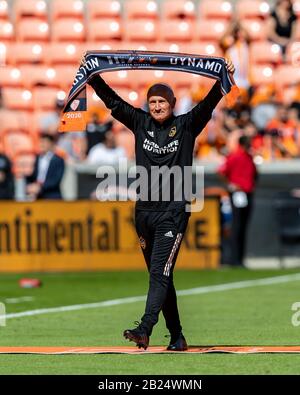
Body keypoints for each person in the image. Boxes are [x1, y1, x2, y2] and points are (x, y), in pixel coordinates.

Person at [82, 54, 235, 350]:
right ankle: (176, 336)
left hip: (173, 212)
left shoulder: (188, 124)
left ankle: (145, 327)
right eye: (152, 102)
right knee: (162, 276)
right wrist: (93, 75)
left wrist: (223, 77)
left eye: (162, 102)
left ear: (173, 103)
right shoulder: (139, 122)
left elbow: (211, 102)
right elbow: (113, 102)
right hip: (144, 213)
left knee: (159, 272)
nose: (156, 106)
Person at [218, 135, 257, 267]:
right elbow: (221, 171)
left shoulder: (250, 157)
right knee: (237, 226)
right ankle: (233, 259)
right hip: (238, 194)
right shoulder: (235, 156)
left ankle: (240, 259)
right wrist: (230, 185)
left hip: (248, 193)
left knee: (243, 226)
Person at [26, 133, 65, 200]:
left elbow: (55, 180)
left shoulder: (58, 160)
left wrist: (40, 187)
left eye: (44, 142)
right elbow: (32, 176)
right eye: (41, 142)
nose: (42, 144)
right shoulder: (36, 158)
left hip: (52, 195)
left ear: (51, 144)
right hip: (37, 196)